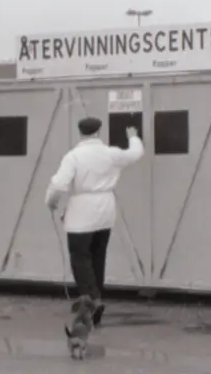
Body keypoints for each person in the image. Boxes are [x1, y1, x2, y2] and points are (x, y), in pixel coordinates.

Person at [46, 117, 145, 325]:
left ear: (80, 133)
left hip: (81, 212)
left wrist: (51, 202)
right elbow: (135, 154)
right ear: (99, 132)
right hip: (106, 210)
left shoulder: (73, 156)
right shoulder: (111, 154)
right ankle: (96, 299)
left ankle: (92, 300)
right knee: (98, 257)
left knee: (80, 258)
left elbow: (59, 184)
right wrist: (133, 137)